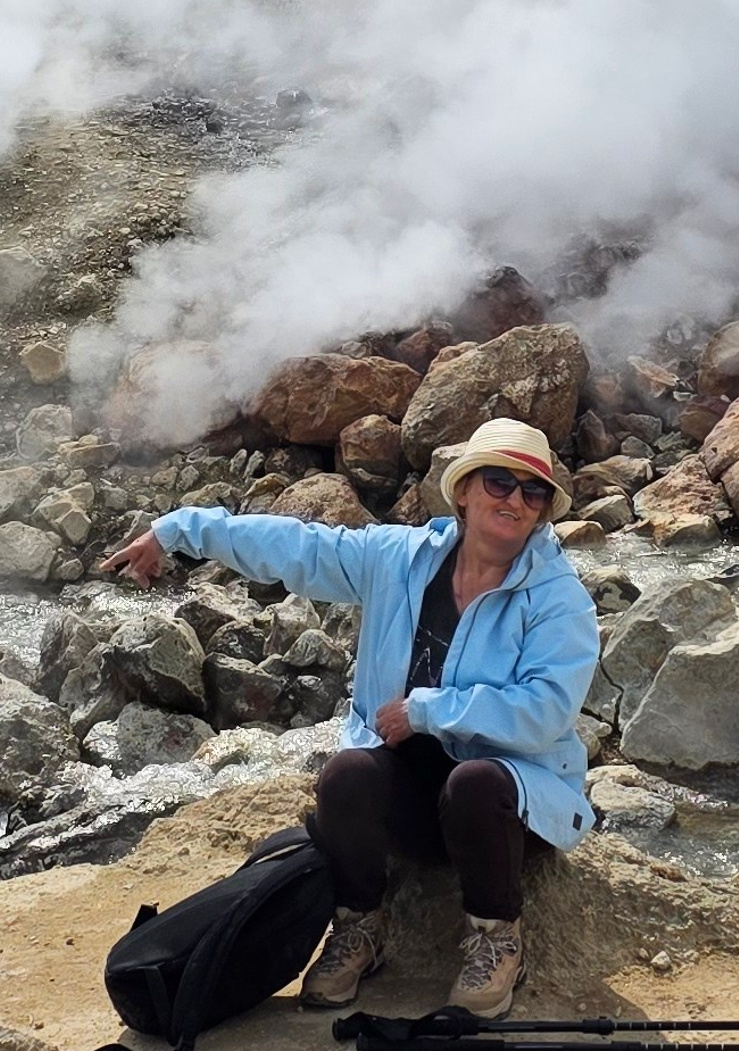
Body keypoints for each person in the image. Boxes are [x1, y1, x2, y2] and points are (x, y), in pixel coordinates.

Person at [101, 415, 598, 1019]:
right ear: (464, 490)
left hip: (509, 810)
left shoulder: (557, 597)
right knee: (346, 775)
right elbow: (299, 548)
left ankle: (498, 939)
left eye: (533, 491)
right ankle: (360, 927)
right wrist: (179, 530)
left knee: (476, 782)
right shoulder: (398, 558)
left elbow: (547, 710)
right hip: (421, 805)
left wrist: (427, 710)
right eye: (499, 482)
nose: (515, 500)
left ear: (544, 511)